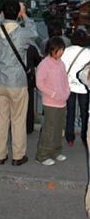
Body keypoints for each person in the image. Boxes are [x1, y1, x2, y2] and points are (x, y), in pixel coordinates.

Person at [0, 0, 38, 166]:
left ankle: (0, 155)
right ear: (17, 13)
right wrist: (24, 15)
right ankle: (18, 156)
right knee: (18, 119)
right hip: (16, 82)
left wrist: (2, 14)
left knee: (0, 120)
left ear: (2, 12)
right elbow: (34, 31)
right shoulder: (23, 33)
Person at [36, 36, 70, 166]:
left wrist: (67, 92)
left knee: (58, 128)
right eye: (58, 50)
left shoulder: (61, 63)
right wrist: (54, 94)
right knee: (49, 129)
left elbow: (65, 80)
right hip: (50, 102)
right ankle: (42, 155)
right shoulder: (44, 64)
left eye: (62, 49)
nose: (61, 52)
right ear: (51, 50)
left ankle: (56, 151)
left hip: (62, 101)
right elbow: (40, 83)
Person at [62, 28, 90, 146]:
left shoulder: (66, 51)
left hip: (69, 86)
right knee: (85, 113)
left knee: (70, 112)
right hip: (84, 87)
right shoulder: (88, 53)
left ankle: (70, 137)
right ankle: (84, 137)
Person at [26, 45, 41, 134]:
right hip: (28, 79)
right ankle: (28, 127)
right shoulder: (31, 48)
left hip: (13, 79)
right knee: (29, 104)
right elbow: (37, 62)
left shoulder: (11, 45)